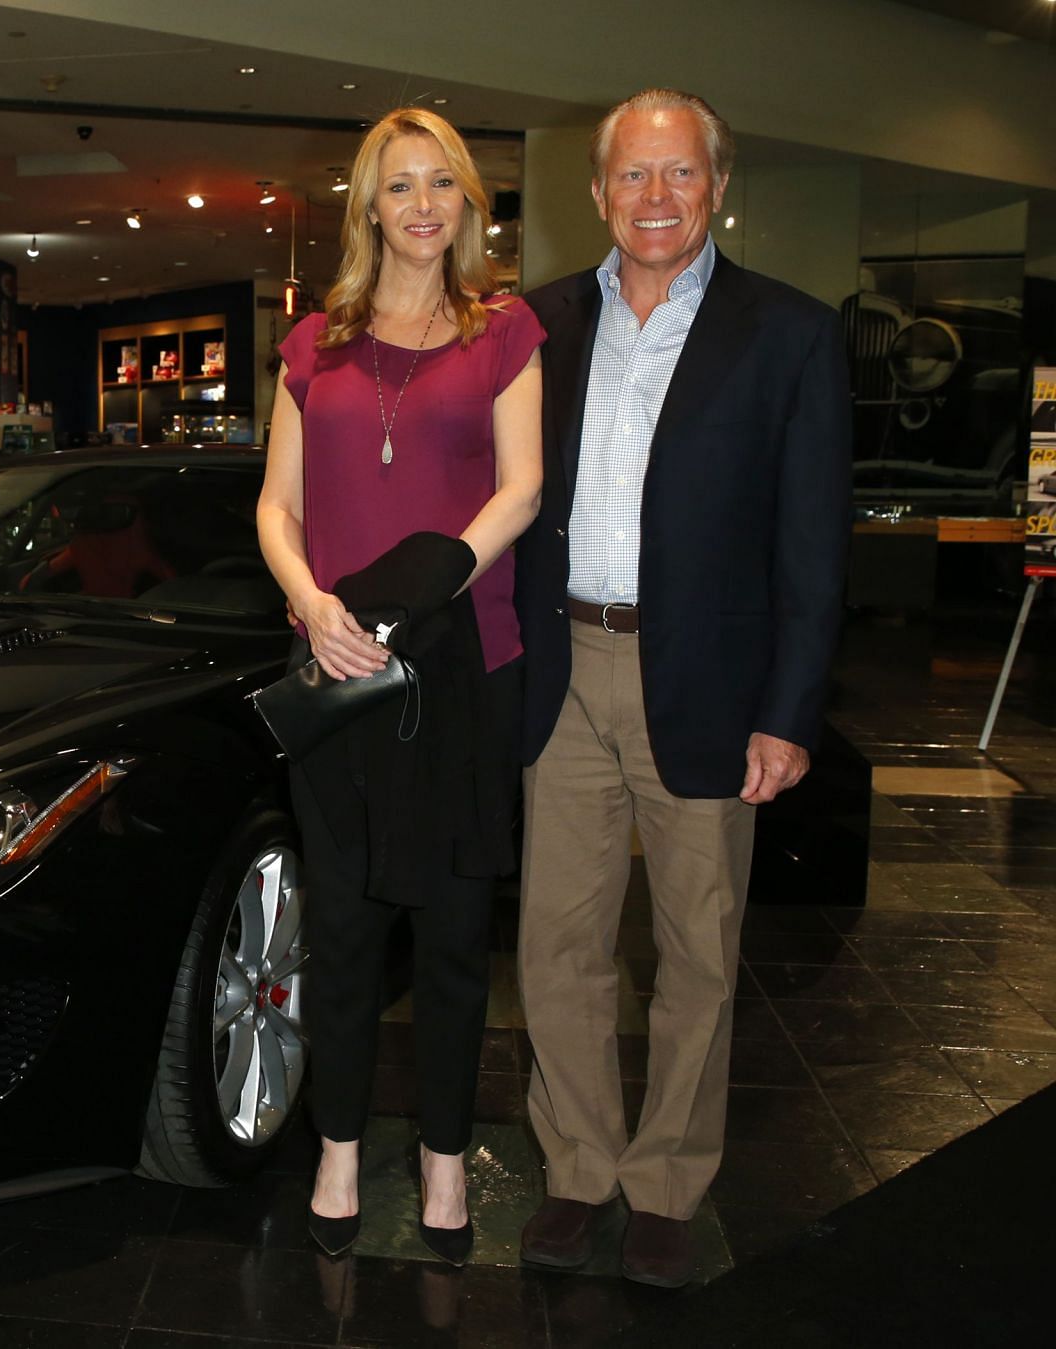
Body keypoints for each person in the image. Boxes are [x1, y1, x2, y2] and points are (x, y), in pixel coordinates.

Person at [513, 88, 851, 1288]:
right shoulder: (537, 324)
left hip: (710, 678)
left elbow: (813, 547)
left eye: (681, 174)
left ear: (718, 185)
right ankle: (578, 1170)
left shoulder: (792, 333)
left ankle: (666, 1182)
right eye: (633, 177)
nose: (656, 198)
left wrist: (789, 709)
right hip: (564, 669)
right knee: (556, 945)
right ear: (597, 193)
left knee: (696, 949)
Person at [256, 106, 544, 1263]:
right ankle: (335, 1147)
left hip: (464, 664)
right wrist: (314, 604)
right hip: (335, 665)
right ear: (367, 208)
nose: (422, 205)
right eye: (398, 186)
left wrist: (418, 596)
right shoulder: (312, 341)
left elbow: (520, 491)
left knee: (455, 931)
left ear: (467, 202)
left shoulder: (505, 330)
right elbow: (277, 506)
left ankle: (439, 1158)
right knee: (341, 923)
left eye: (442, 184)